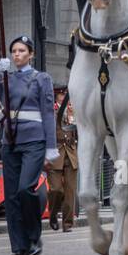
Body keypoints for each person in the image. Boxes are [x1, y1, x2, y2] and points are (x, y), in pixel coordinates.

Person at [0, 36, 57, 255]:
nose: (16, 54)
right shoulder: (4, 79)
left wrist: (51, 146)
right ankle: (19, 246)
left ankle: (33, 237)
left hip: (34, 140)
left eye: (21, 50)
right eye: (14, 51)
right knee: (11, 196)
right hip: (10, 140)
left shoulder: (41, 78)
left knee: (25, 188)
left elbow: (48, 113)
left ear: (31, 54)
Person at [47, 87, 78, 231]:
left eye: (66, 94)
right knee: (56, 190)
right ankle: (53, 215)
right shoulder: (50, 110)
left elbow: (78, 131)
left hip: (71, 153)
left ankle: (67, 223)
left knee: (70, 190)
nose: (64, 97)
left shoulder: (73, 110)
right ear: (56, 96)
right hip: (56, 152)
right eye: (61, 94)